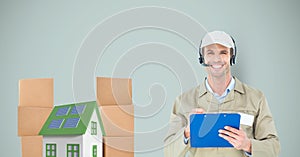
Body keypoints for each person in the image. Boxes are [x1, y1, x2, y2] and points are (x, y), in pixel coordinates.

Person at [164, 31, 280, 157]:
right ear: (202, 58)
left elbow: (274, 148)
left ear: (232, 56)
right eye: (210, 53)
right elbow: (168, 152)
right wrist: (187, 132)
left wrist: (248, 145)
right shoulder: (183, 101)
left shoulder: (256, 98)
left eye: (223, 52)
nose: (217, 59)